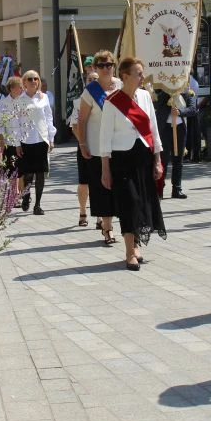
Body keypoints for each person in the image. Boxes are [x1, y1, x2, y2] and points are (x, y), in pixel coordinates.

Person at [99, 56, 167, 271]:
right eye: (138, 73)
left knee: (143, 203)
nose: (142, 77)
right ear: (125, 76)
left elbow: (153, 128)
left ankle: (137, 245)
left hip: (143, 157)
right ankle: (129, 252)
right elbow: (104, 137)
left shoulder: (146, 96)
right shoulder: (112, 101)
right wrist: (105, 170)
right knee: (129, 203)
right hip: (121, 159)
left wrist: (158, 160)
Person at [77, 52, 123, 244]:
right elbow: (82, 120)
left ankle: (124, 225)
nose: (105, 68)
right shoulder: (90, 91)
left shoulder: (121, 85)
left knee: (120, 188)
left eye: (109, 64)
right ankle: (107, 227)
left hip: (121, 146)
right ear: (95, 68)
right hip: (97, 148)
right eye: (101, 65)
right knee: (103, 188)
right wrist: (83, 143)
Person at [15, 70, 56, 215]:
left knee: (40, 173)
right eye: (30, 79)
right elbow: (16, 123)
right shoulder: (20, 100)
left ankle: (37, 205)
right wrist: (17, 143)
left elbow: (49, 118)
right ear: (24, 82)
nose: (33, 81)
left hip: (41, 139)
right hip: (26, 140)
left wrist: (51, 138)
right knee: (27, 174)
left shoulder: (43, 98)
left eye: (36, 79)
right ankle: (26, 196)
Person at [154, 84, 196, 199]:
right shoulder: (162, 90)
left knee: (178, 160)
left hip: (180, 128)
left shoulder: (188, 92)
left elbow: (192, 109)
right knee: (163, 159)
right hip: (165, 128)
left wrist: (180, 112)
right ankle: (159, 189)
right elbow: (157, 104)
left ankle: (177, 189)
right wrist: (168, 92)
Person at [69, 72, 98, 228]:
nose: (92, 81)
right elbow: (74, 125)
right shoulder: (79, 101)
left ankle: (101, 216)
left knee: (100, 182)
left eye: (95, 79)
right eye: (90, 79)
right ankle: (83, 211)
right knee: (84, 182)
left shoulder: (105, 100)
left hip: (101, 146)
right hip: (84, 145)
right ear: (85, 82)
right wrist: (83, 142)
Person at [0, 76, 24, 178]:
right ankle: (12, 192)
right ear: (11, 88)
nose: (21, 89)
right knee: (10, 171)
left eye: (21, 87)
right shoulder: (3, 103)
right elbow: (0, 124)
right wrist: (1, 142)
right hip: (10, 142)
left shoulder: (24, 102)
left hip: (23, 141)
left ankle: (22, 192)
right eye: (19, 87)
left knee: (22, 172)